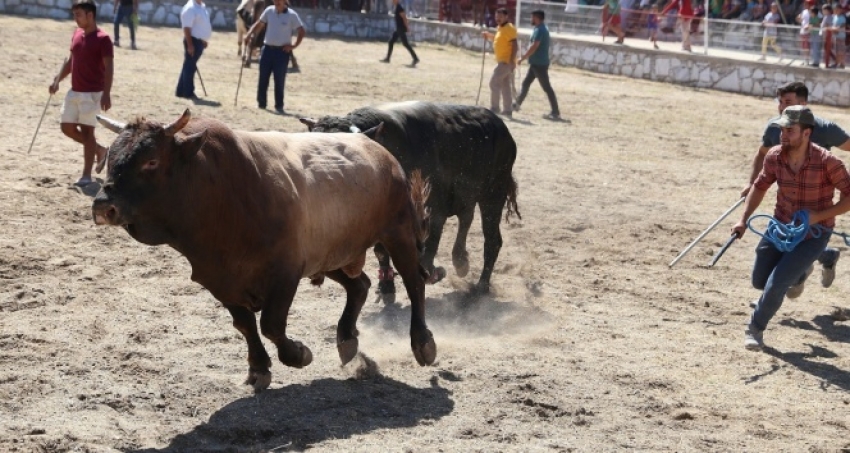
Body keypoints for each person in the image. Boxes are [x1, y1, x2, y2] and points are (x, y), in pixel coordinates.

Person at [732, 105, 850, 351]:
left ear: (807, 133)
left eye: (789, 130)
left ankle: (755, 329)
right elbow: (760, 186)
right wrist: (743, 219)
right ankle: (820, 259)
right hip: (780, 227)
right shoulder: (774, 156)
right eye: (781, 129)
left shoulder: (828, 162)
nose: (783, 135)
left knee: (778, 283)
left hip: (813, 234)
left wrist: (819, 216)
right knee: (759, 281)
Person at [741, 81, 850, 290]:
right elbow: (762, 154)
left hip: (816, 205)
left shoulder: (826, 129)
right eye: (780, 102)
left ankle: (795, 275)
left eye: (788, 102)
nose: (782, 107)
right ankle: (824, 259)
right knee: (782, 249)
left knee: (802, 247)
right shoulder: (776, 128)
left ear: (804, 103)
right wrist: (751, 183)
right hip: (787, 204)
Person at [49, 0, 113, 187]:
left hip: (92, 94)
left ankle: (86, 175)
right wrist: (57, 80)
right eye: (74, 14)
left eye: (78, 15)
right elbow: (71, 61)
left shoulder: (103, 39)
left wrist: (106, 94)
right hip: (74, 91)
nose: (75, 18)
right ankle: (100, 150)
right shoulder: (77, 34)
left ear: (90, 15)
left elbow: (109, 68)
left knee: (87, 132)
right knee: (66, 127)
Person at [244, 0, 305, 113]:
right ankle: (261, 104)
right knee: (263, 77)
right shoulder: (269, 11)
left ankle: (279, 106)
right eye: (275, 0)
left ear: (284, 1)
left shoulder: (292, 15)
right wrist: (249, 34)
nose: (276, 2)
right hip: (267, 49)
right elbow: (259, 24)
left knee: (279, 79)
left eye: (279, 0)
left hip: (281, 52)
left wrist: (294, 46)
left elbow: (301, 31)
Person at [513, 10, 560, 121]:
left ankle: (555, 112)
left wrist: (523, 58)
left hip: (539, 64)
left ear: (537, 18)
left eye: (532, 17)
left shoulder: (540, 30)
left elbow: (535, 46)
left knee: (547, 88)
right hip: (535, 63)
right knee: (526, 83)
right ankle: (517, 104)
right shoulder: (539, 29)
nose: (531, 19)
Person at [482, 8, 517, 118]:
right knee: (505, 85)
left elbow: (515, 45)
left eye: (500, 16)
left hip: (505, 62)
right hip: (503, 61)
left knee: (494, 82)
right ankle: (507, 109)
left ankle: (495, 108)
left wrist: (512, 60)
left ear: (506, 17)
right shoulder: (501, 28)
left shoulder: (509, 28)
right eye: (497, 16)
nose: (498, 19)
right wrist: (489, 36)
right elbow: (500, 41)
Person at [175, 0, 212, 100]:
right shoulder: (191, 8)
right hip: (192, 40)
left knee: (189, 65)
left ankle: (180, 91)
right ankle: (188, 92)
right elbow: (186, 27)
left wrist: (203, 40)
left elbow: (199, 25)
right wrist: (190, 44)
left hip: (198, 41)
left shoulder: (201, 6)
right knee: (189, 67)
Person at [380, 0, 419, 65]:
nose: (392, 1)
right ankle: (388, 58)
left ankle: (415, 58)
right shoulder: (397, 7)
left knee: (405, 44)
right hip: (398, 29)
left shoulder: (400, 8)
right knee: (391, 42)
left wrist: (407, 28)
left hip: (401, 29)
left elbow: (404, 18)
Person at [797, 0, 813, 65]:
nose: (805, 4)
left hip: (809, 32)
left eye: (806, 3)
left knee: (807, 46)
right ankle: (804, 60)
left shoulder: (813, 11)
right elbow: (801, 20)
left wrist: (809, 26)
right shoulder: (804, 11)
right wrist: (798, 18)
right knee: (803, 46)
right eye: (805, 3)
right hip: (802, 31)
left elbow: (815, 21)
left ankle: (808, 60)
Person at [831, 3, 846, 68]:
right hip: (835, 37)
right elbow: (833, 25)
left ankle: (841, 63)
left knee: (840, 51)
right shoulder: (834, 17)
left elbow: (842, 25)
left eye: (837, 9)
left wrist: (837, 29)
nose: (836, 11)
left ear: (840, 10)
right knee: (836, 51)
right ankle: (837, 63)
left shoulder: (842, 17)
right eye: (835, 9)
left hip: (841, 37)